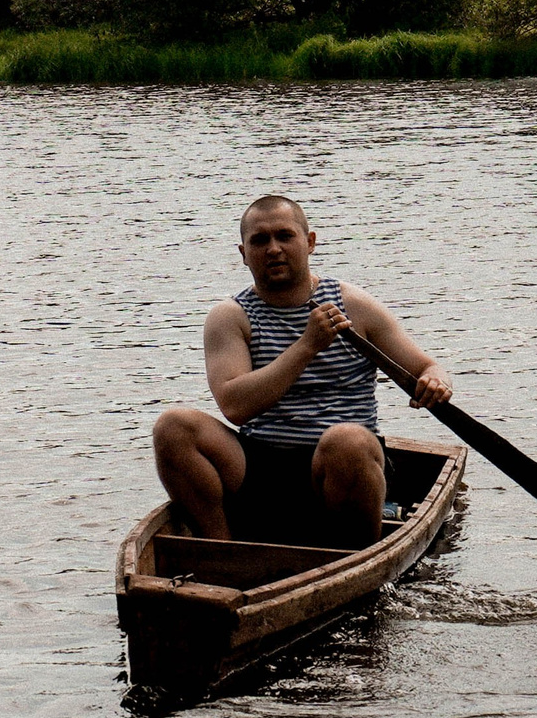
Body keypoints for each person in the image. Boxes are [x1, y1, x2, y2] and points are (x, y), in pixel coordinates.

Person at [151, 194, 453, 548]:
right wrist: (306, 345)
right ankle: (224, 550)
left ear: (309, 243)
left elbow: (426, 367)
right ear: (243, 253)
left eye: (285, 236)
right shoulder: (231, 317)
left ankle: (354, 559)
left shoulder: (354, 305)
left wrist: (436, 381)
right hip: (260, 465)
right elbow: (235, 407)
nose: (274, 249)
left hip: (340, 467)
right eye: (260, 241)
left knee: (349, 441)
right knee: (173, 427)